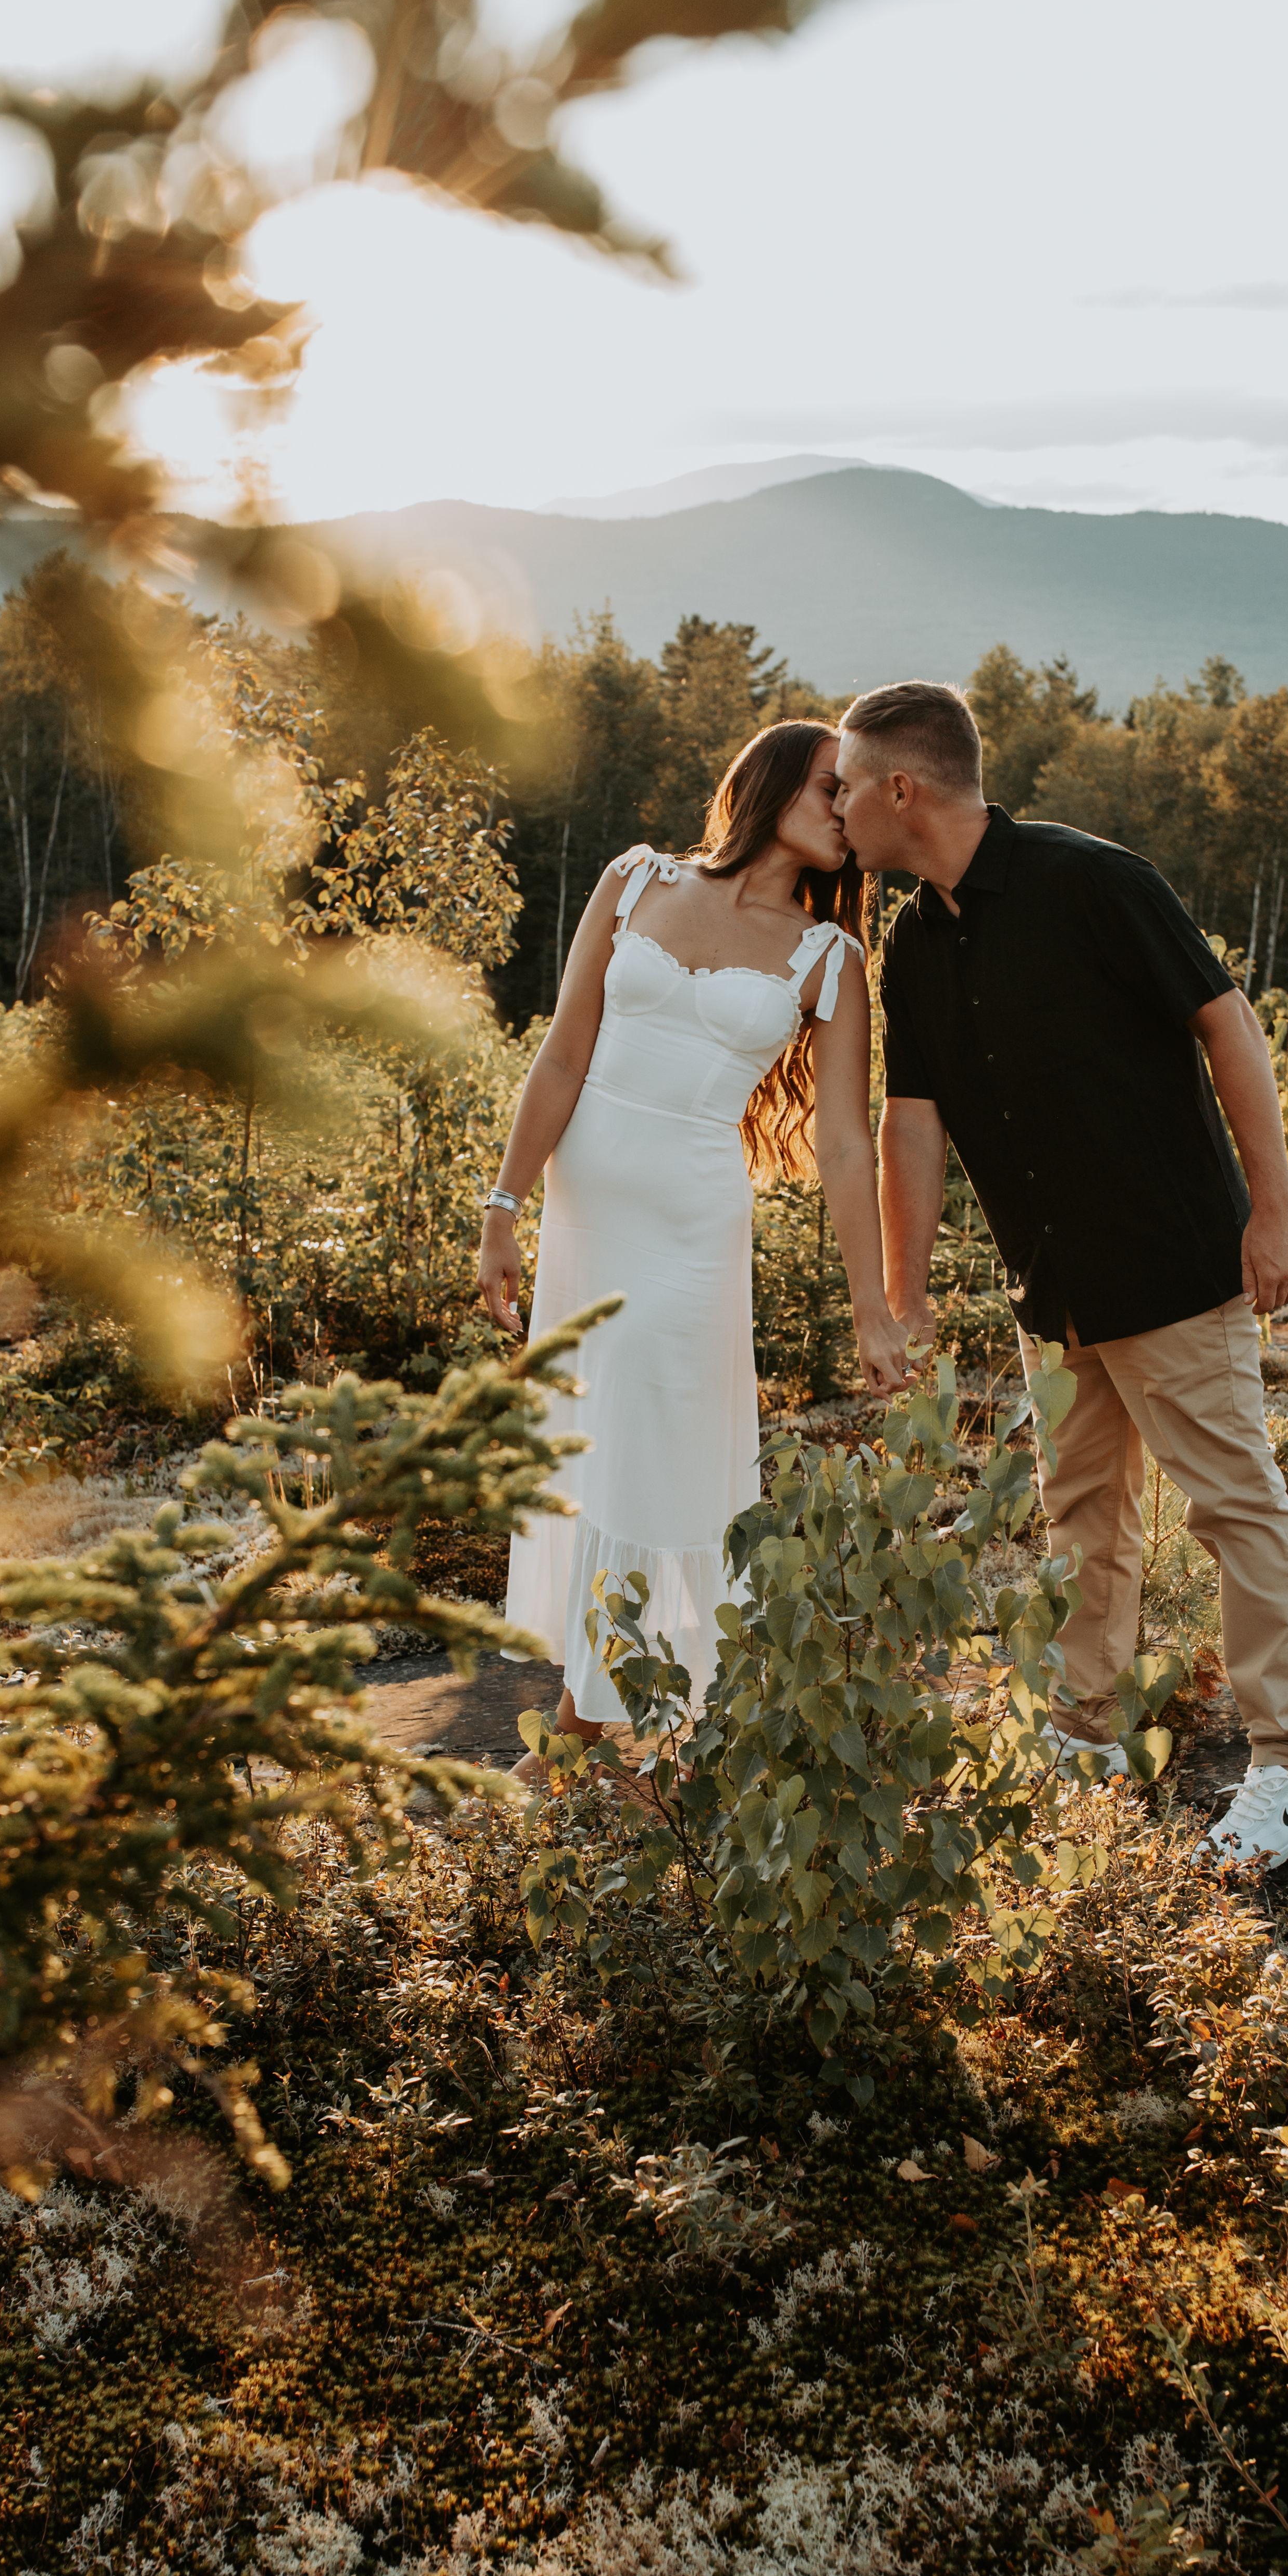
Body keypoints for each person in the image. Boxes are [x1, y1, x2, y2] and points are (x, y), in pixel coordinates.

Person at [836, 679, 1288, 1873]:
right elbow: (913, 1123)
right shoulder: (912, 941)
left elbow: (1228, 1025)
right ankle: (1086, 1736)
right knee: (1082, 1515)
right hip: (1052, 1286)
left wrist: (1276, 1213)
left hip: (1172, 1262)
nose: (837, 810)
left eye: (846, 787)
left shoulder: (1095, 882)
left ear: (901, 789)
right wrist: (906, 1297)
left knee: (1233, 1505)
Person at [477, 721, 912, 1784]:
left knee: (654, 1450)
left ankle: (610, 1730)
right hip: (585, 1218)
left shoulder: (830, 958)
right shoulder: (635, 879)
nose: (845, 810)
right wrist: (503, 1204)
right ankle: (606, 1718)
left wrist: (872, 1304)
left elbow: (846, 1144)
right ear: (770, 783)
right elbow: (563, 1053)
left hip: (688, 1229)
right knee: (589, 1440)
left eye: (852, 795)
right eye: (829, 787)